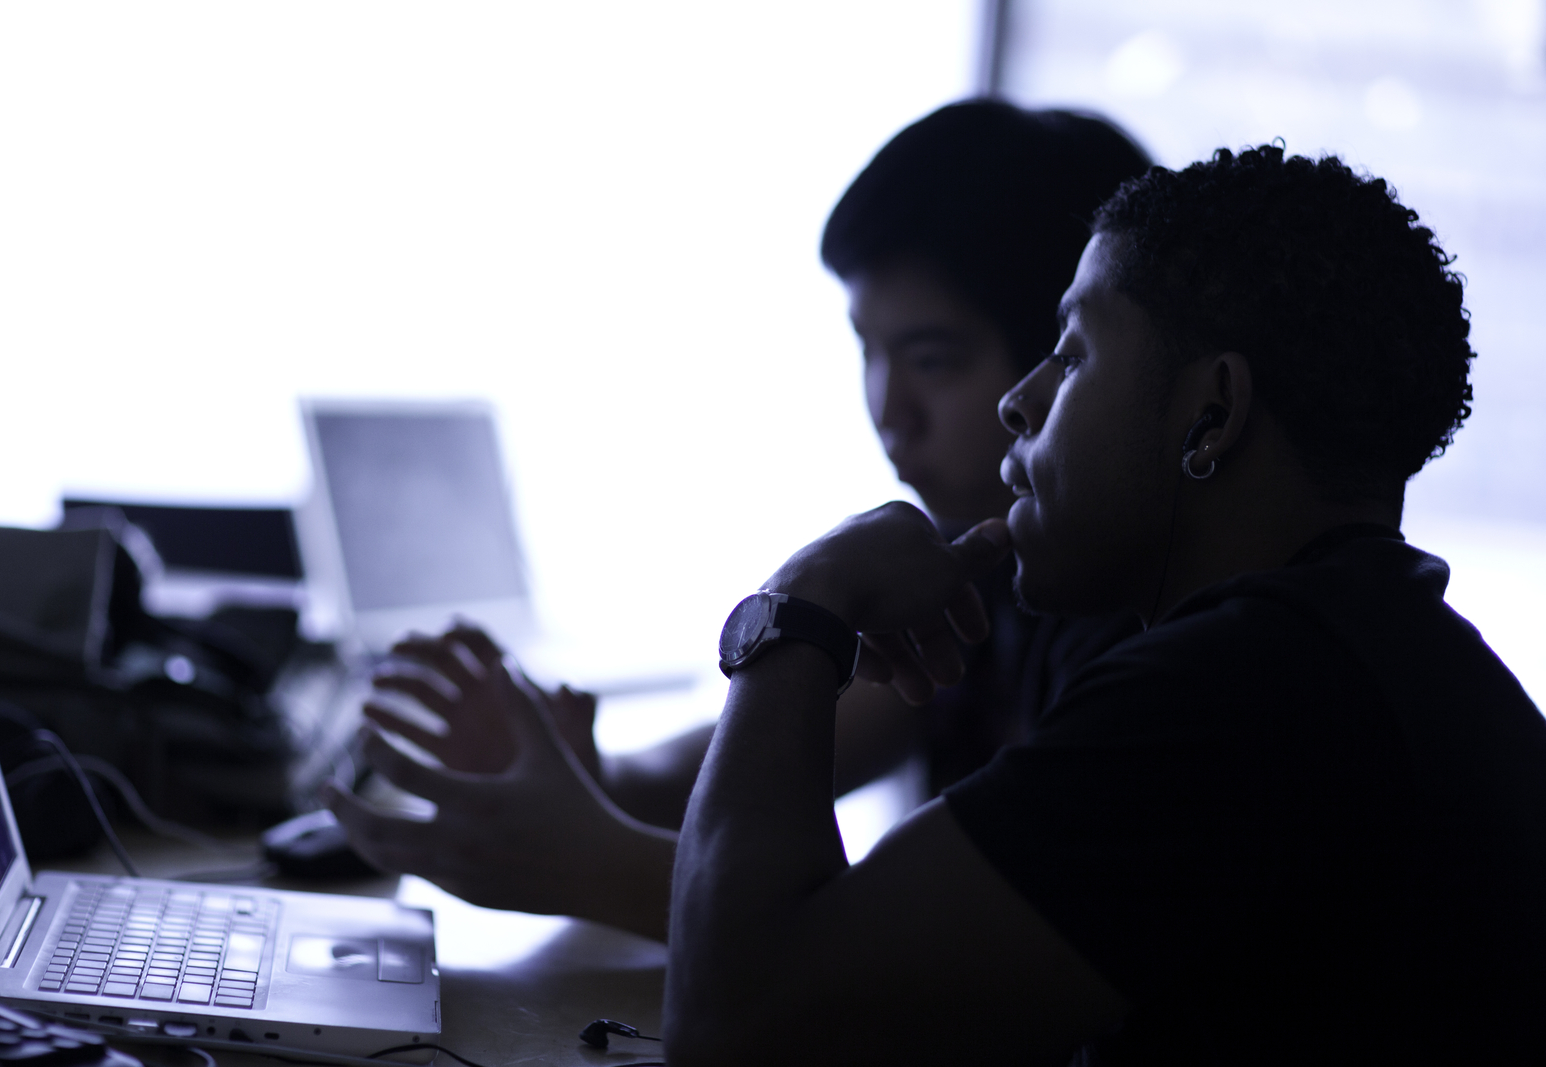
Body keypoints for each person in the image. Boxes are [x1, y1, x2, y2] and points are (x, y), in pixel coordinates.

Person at [657, 145, 1546, 1064]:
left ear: (1212, 412)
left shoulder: (1244, 697)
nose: (1018, 400)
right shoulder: (1355, 650)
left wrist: (803, 604)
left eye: (1073, 353)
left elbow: (738, 1023)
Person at [325, 100, 1149, 938]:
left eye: (933, 359)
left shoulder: (1141, 649)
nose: (888, 410)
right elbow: (760, 766)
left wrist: (589, 860)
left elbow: (937, 963)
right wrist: (586, 775)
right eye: (869, 349)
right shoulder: (984, 578)